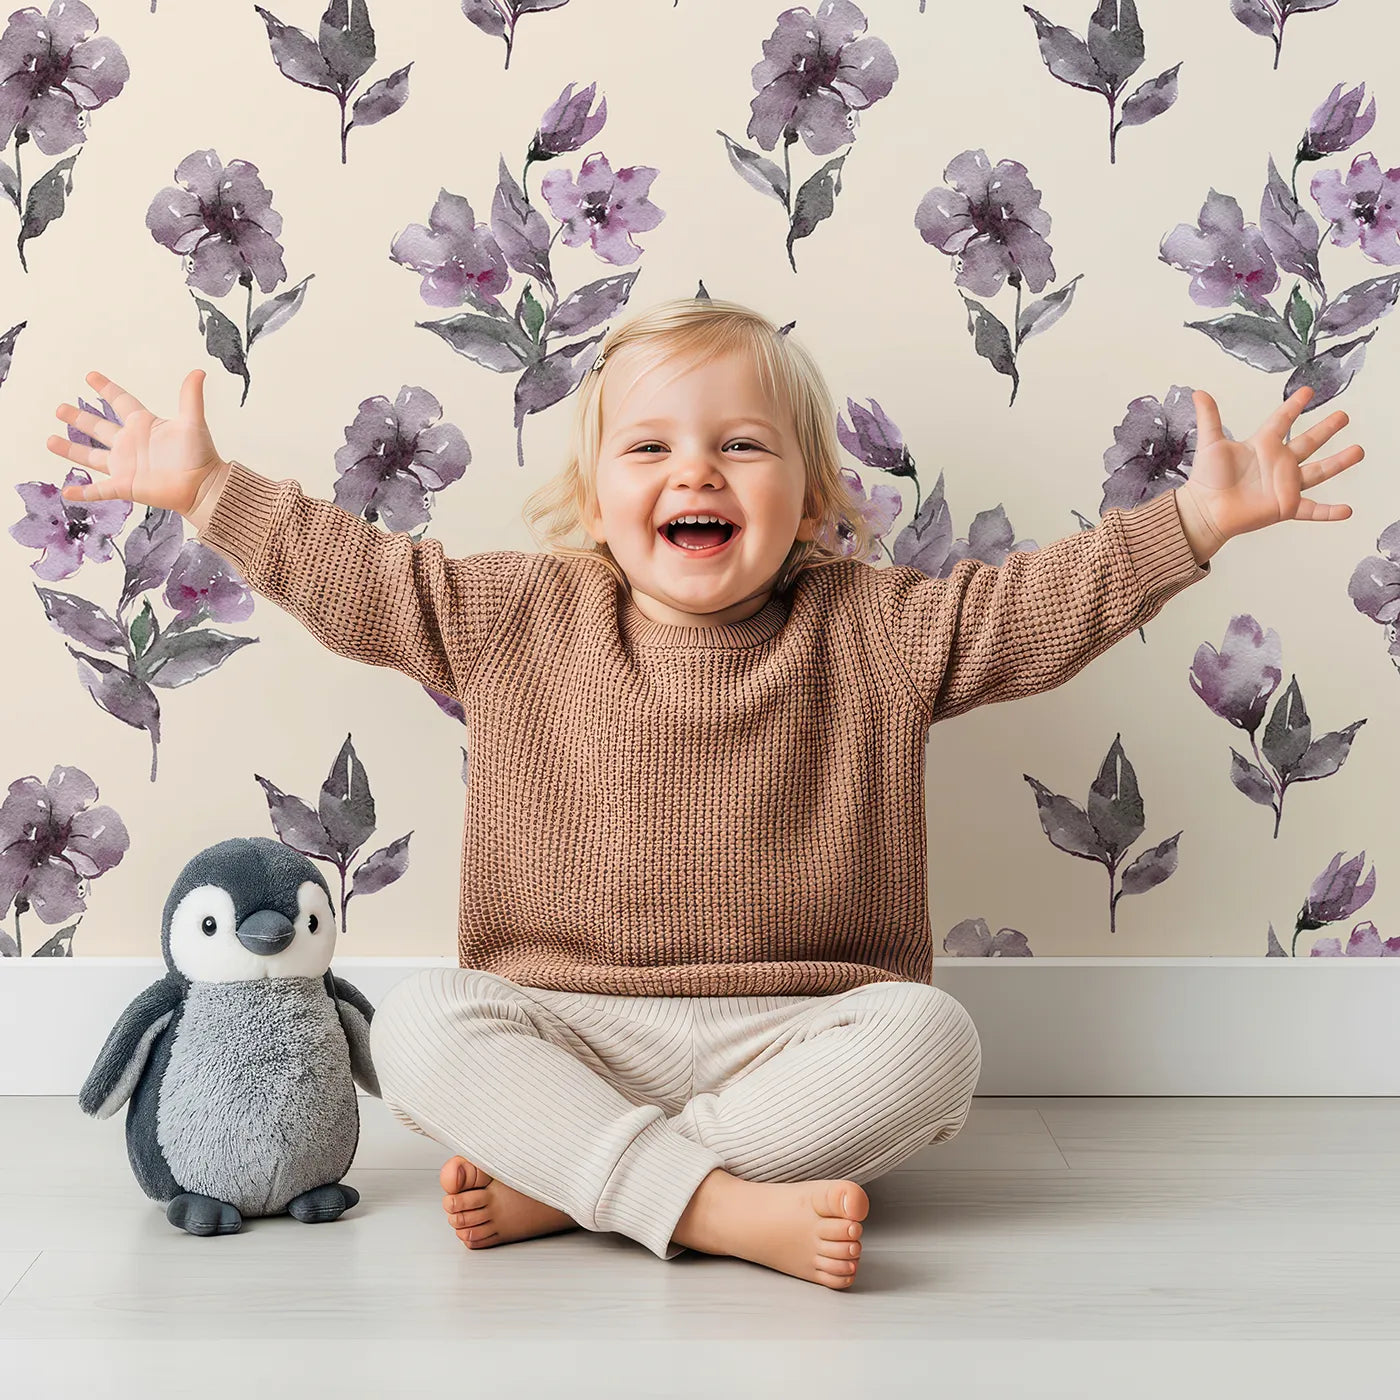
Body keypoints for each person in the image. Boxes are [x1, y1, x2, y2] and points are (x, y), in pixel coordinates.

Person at [50, 297, 1362, 1290]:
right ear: (593, 495)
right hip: (562, 1022)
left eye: (744, 445)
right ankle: (724, 1206)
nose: (697, 473)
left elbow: (1036, 609)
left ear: (810, 500)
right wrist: (209, 492)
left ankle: (585, 1185)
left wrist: (1189, 525)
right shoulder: (517, 615)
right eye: (652, 448)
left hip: (802, 1035)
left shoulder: (877, 627)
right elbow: (357, 575)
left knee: (935, 1041)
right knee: (423, 1028)